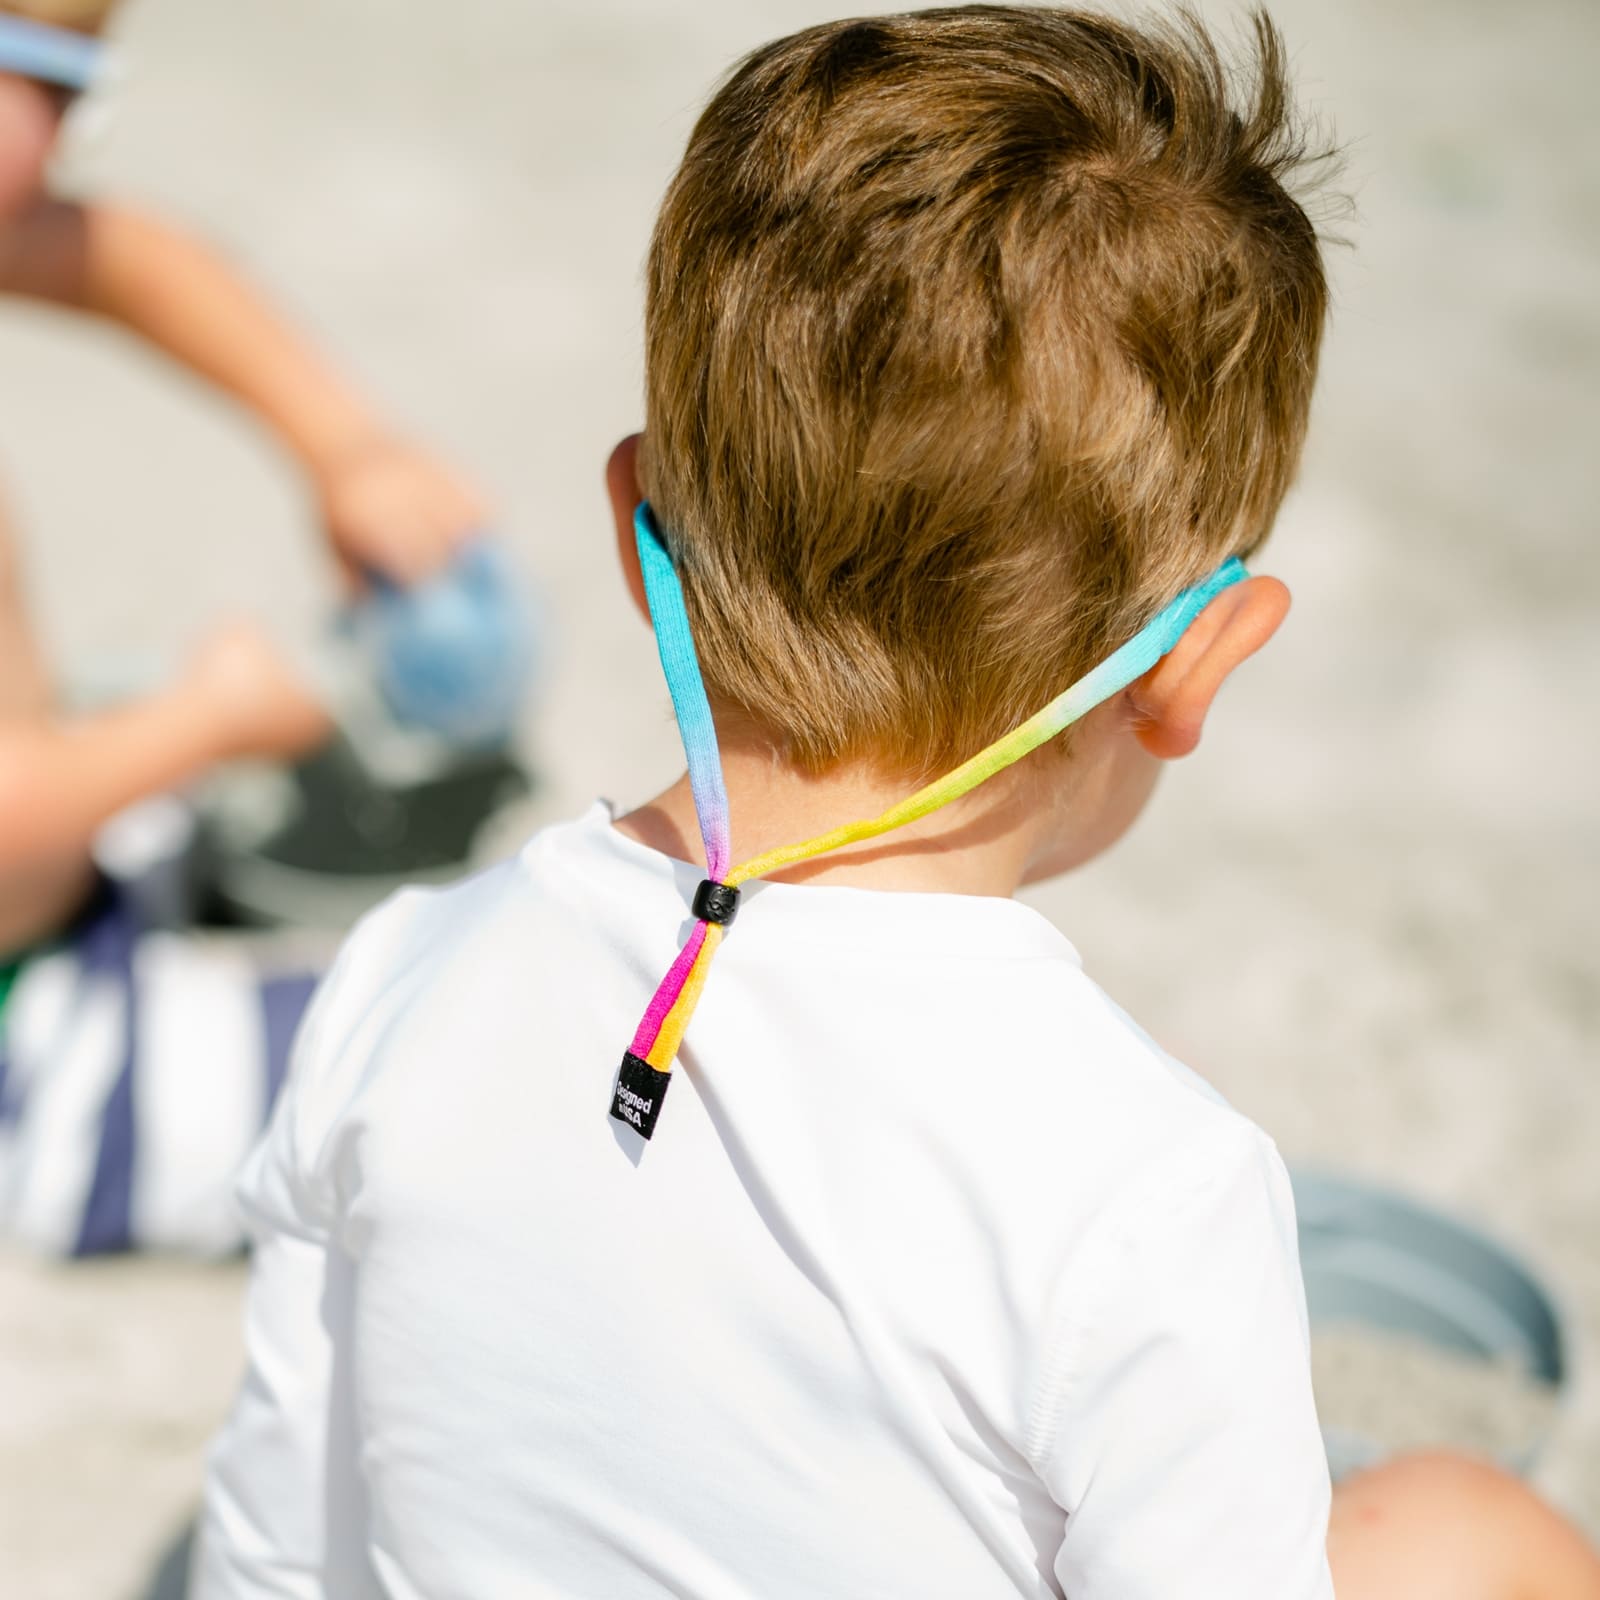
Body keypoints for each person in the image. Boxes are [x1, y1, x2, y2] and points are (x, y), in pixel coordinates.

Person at [192, 8, 1600, 1598]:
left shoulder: (400, 977)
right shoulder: (1153, 1193)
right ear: (1196, 664)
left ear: (633, 522)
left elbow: (274, 1553)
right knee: (1473, 1534)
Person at [0, 0, 486, 1254]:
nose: (64, 144)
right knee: (432, 1064)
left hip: (52, 888)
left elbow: (121, 258)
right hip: (31, 1064)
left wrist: (347, 446)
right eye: (51, 79)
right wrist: (208, 720)